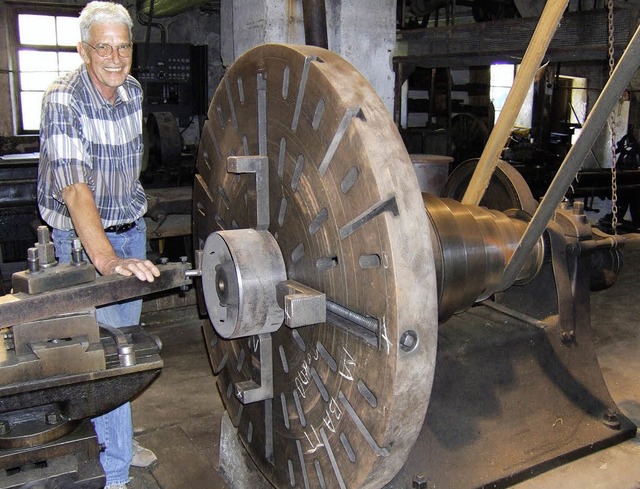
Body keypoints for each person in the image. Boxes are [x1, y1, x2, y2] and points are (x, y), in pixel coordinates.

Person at [37, 2, 161, 488]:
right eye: (102, 47)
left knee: (122, 349)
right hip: (82, 241)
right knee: (101, 357)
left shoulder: (131, 92)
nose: (115, 57)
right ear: (83, 50)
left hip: (129, 227)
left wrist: (132, 227)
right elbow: (74, 190)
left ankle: (120, 437)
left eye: (123, 46)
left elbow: (127, 169)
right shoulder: (63, 99)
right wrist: (108, 260)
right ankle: (114, 473)